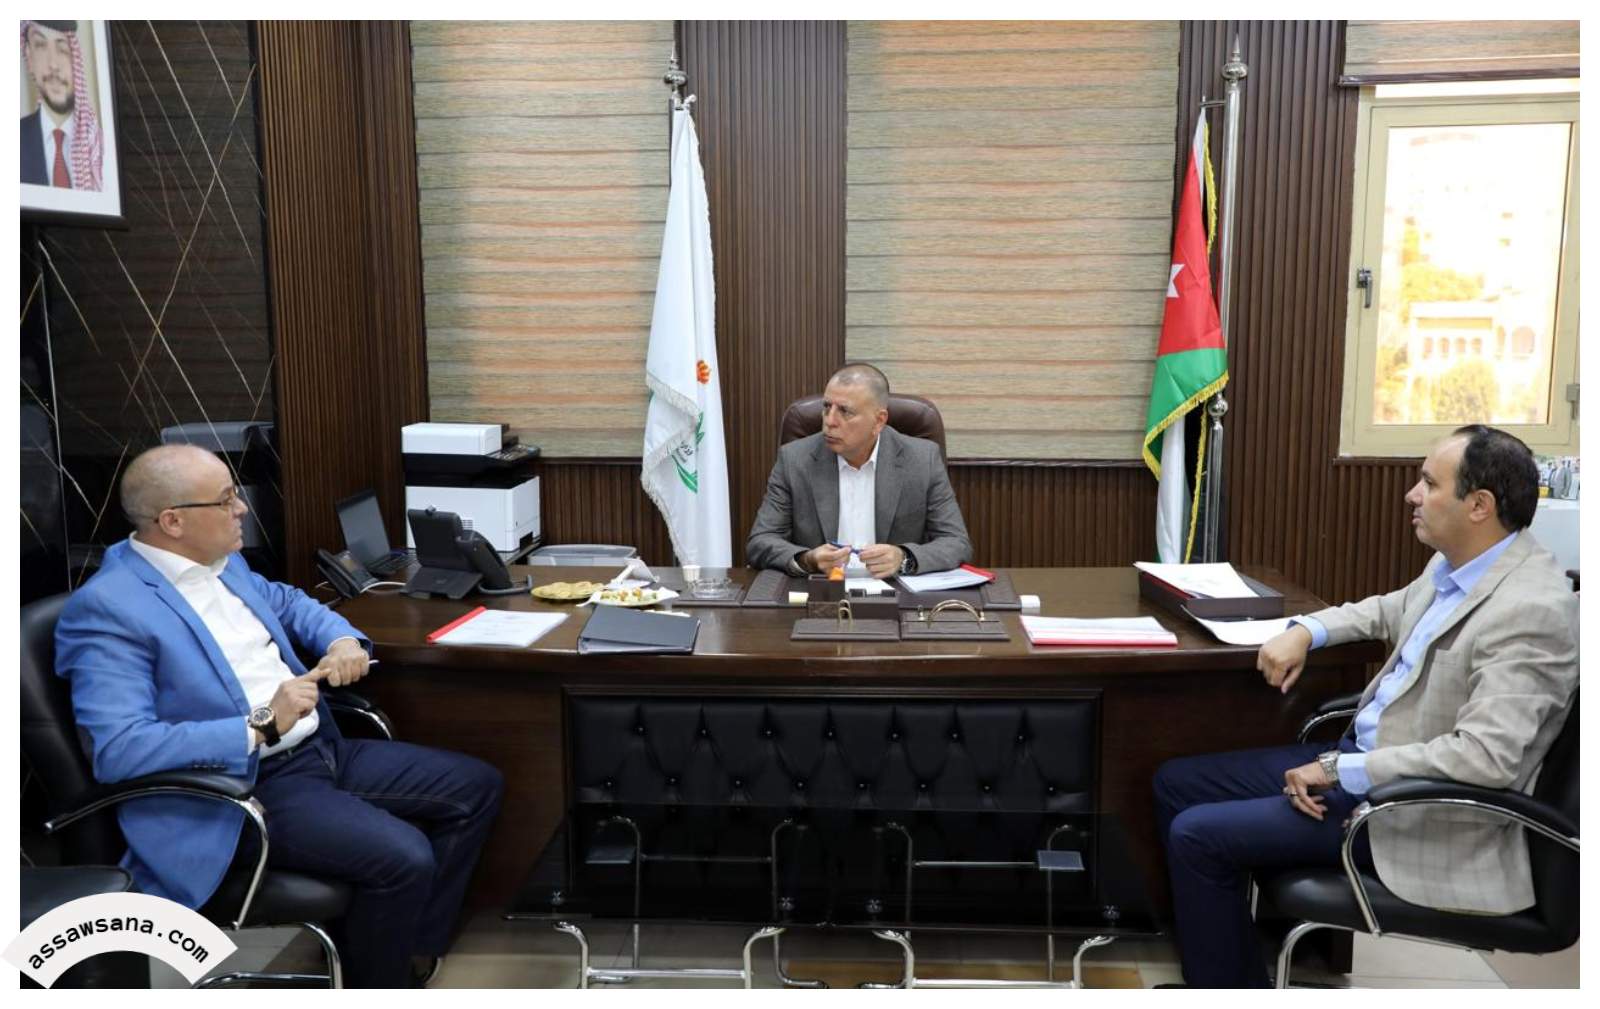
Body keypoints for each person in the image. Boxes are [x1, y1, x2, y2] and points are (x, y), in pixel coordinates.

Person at [55, 444, 503, 987]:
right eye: (225, 500)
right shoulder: (109, 609)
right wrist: (262, 723)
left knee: (475, 787)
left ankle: (407, 954)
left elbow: (290, 603)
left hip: (318, 750)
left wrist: (341, 640)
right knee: (403, 857)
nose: (241, 508)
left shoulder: (224, 563)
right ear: (172, 521)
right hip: (245, 788)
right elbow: (120, 750)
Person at [1152, 424, 1578, 987]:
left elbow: (1484, 759)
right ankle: (1224, 970)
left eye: (1429, 483)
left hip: (1414, 814)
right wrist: (1305, 630)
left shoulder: (1530, 609)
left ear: (1479, 505)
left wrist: (1336, 769)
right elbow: (1383, 610)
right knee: (1176, 784)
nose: (1411, 494)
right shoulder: (1460, 565)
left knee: (1197, 834)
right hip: (1364, 765)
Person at [746, 362, 972, 577]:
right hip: (822, 591)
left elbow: (956, 542)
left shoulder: (922, 460)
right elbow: (760, 541)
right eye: (827, 407)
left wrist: (904, 557)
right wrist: (808, 559)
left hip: (896, 594)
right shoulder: (795, 460)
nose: (829, 421)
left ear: (879, 421)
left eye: (845, 411)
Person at [20, 19, 102, 190]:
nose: (53, 64)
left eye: (63, 49)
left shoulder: (99, 148)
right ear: (29, 56)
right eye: (40, 45)